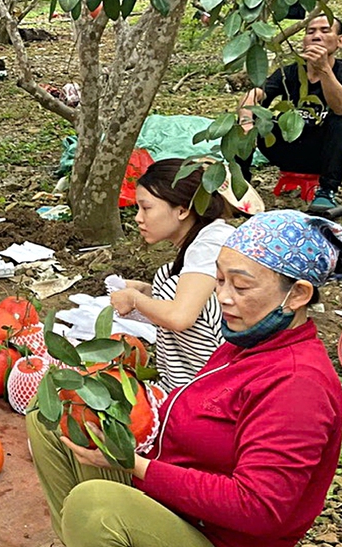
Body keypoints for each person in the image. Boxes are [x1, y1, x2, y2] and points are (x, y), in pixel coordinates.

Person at [14, 209, 342, 547]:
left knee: (94, 507)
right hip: (182, 514)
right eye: (219, 280)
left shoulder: (298, 384)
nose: (224, 297)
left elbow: (258, 508)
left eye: (242, 286)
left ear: (298, 295)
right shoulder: (246, 342)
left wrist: (135, 466)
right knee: (49, 415)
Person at [109, 159, 257, 392]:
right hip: (225, 367)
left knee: (169, 282)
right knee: (165, 278)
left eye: (146, 208)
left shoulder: (211, 244)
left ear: (182, 210)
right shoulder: (208, 238)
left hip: (226, 381)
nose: (138, 218)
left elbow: (181, 316)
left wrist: (136, 300)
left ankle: (184, 390)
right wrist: (147, 292)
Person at [236, 15, 342, 212]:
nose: (316, 36)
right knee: (251, 116)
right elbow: (255, 95)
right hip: (285, 147)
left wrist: (323, 69)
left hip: (321, 153)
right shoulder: (288, 72)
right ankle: (241, 182)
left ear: (340, 40)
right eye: (310, 32)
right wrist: (246, 122)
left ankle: (327, 191)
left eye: (325, 30)